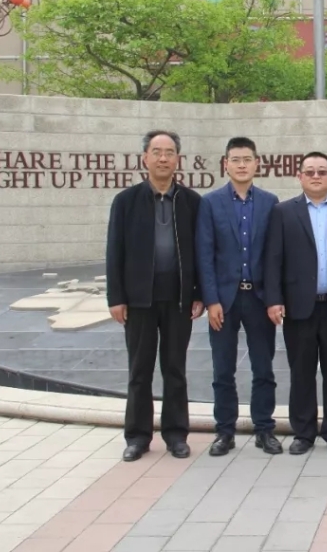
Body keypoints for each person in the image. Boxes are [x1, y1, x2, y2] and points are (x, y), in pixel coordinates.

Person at [106, 130, 203, 462]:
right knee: (139, 371)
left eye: (169, 152)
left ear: (178, 159)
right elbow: (114, 251)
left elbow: (201, 252)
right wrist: (116, 297)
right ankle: (137, 436)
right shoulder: (126, 201)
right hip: (138, 301)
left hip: (178, 300)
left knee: (175, 369)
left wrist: (198, 293)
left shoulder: (191, 202)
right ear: (145, 158)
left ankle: (176, 435)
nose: (163, 158)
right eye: (157, 152)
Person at [196, 137, 281, 457]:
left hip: (258, 299)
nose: (242, 165)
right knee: (223, 370)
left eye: (247, 159)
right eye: (235, 159)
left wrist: (273, 299)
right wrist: (211, 300)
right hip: (224, 301)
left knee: (264, 369)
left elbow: (274, 256)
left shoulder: (270, 202)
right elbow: (204, 255)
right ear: (226, 164)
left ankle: (264, 429)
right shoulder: (210, 203)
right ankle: (225, 432)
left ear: (257, 163)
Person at [265, 152, 327, 456]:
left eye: (322, 171)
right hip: (298, 306)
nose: (316, 176)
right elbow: (273, 258)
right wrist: (274, 299)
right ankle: (303, 432)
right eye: (310, 171)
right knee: (301, 371)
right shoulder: (283, 212)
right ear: (299, 176)